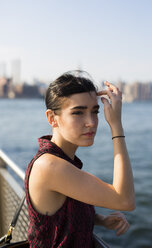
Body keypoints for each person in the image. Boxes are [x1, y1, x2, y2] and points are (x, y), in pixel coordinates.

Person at [25, 70, 136, 247]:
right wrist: (116, 126)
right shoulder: (50, 166)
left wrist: (100, 220)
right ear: (52, 118)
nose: (91, 122)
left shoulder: (62, 160)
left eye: (95, 111)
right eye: (78, 112)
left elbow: (57, 214)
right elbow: (125, 200)